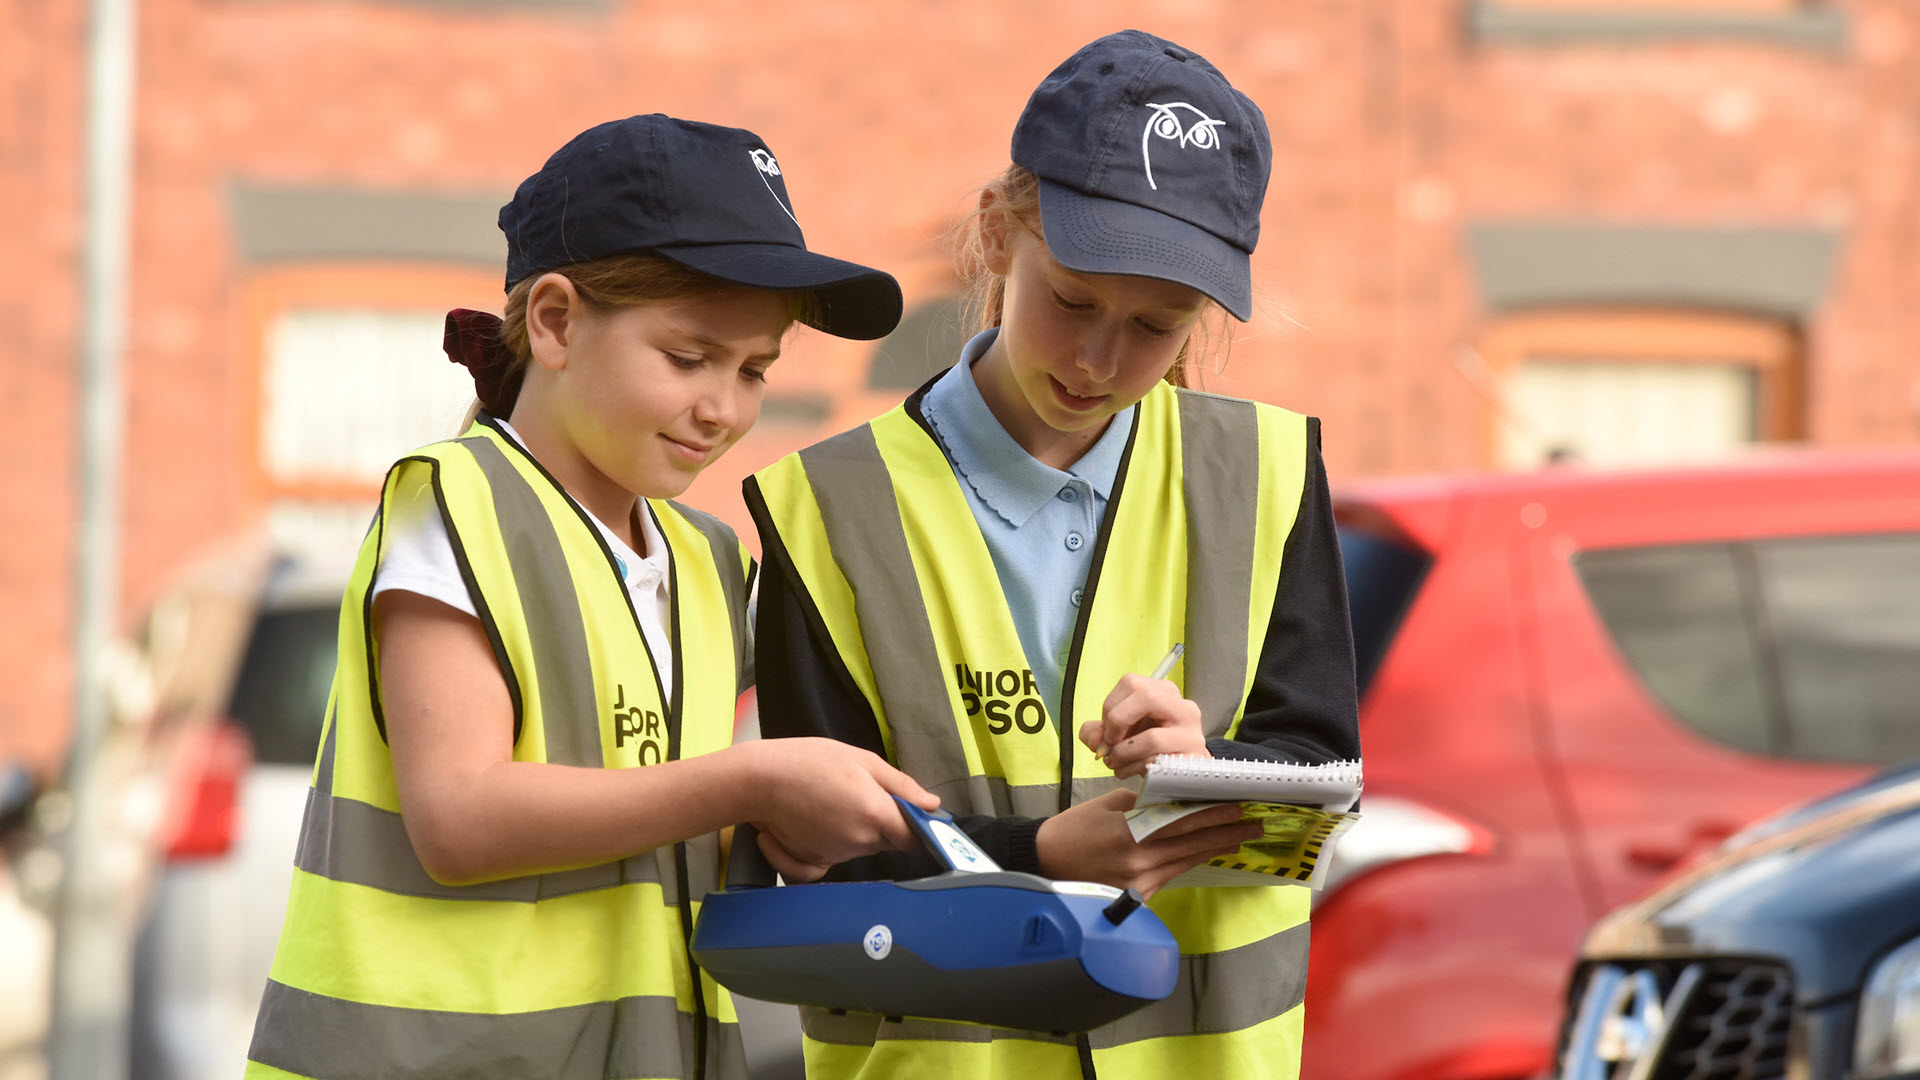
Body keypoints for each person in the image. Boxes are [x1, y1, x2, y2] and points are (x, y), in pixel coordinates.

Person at [244, 114, 940, 1080]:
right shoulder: (457, 502)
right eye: (689, 358)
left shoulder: (706, 559)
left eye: (753, 371)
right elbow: (461, 819)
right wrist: (750, 783)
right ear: (557, 322)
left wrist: (776, 830)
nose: (724, 408)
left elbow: (643, 807)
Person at [746, 31, 1361, 1080]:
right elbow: (816, 868)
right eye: (1071, 300)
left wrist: (1205, 765)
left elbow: (1321, 798)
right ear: (998, 231)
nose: (1098, 359)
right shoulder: (823, 509)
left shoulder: (1267, 473)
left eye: (1157, 327)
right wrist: (1036, 861)